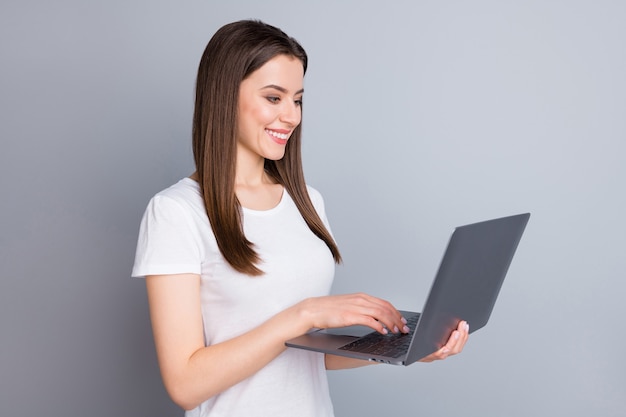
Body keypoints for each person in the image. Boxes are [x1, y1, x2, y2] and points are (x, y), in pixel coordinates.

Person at [132, 19, 469, 417]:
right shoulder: (176, 211)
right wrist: (305, 314)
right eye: (274, 98)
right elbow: (185, 385)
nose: (291, 116)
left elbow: (307, 356)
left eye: (298, 100)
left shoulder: (307, 201)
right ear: (224, 96)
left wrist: (409, 350)